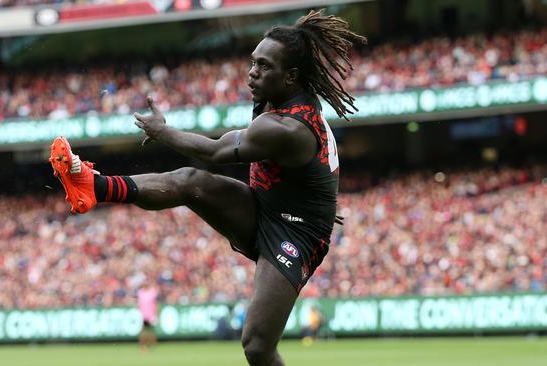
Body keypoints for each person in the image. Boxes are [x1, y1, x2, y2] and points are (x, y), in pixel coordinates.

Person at [49, 9, 364, 365]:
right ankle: (93, 186)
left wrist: (163, 131)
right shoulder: (281, 101)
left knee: (257, 345)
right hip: (267, 207)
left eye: (263, 66)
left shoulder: (288, 127)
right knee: (189, 181)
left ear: (291, 76)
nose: (252, 73)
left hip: (295, 233)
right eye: (253, 63)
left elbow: (216, 151)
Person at [136, 283, 159, 351]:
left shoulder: (150, 292)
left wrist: (156, 313)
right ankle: (145, 345)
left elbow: (155, 303)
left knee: (150, 331)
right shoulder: (142, 293)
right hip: (145, 315)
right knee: (146, 331)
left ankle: (149, 345)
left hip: (150, 315)